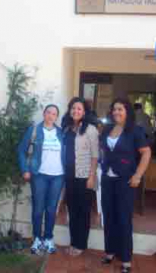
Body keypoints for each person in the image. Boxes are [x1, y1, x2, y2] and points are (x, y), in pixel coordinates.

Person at [99, 99, 151, 273]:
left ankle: (126, 259)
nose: (116, 112)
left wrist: (138, 175)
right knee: (109, 216)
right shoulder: (107, 129)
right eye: (114, 109)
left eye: (120, 109)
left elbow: (146, 153)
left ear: (127, 111)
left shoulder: (135, 131)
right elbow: (103, 150)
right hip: (107, 179)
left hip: (125, 181)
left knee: (123, 218)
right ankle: (110, 251)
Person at [18, 104, 65, 255]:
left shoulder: (61, 133)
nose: (51, 116)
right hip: (39, 175)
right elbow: (21, 150)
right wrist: (25, 169)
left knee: (51, 209)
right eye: (48, 112)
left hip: (58, 176)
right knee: (38, 209)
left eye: (54, 114)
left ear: (57, 117)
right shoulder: (34, 131)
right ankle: (37, 238)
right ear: (44, 114)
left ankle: (48, 238)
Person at [61, 97, 99, 256]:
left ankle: (80, 245)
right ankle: (73, 242)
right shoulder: (67, 129)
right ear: (70, 111)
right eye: (73, 108)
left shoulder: (91, 129)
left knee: (83, 212)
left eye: (79, 109)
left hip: (85, 177)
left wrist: (91, 177)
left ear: (84, 112)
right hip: (69, 176)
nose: (76, 111)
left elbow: (95, 156)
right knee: (72, 210)